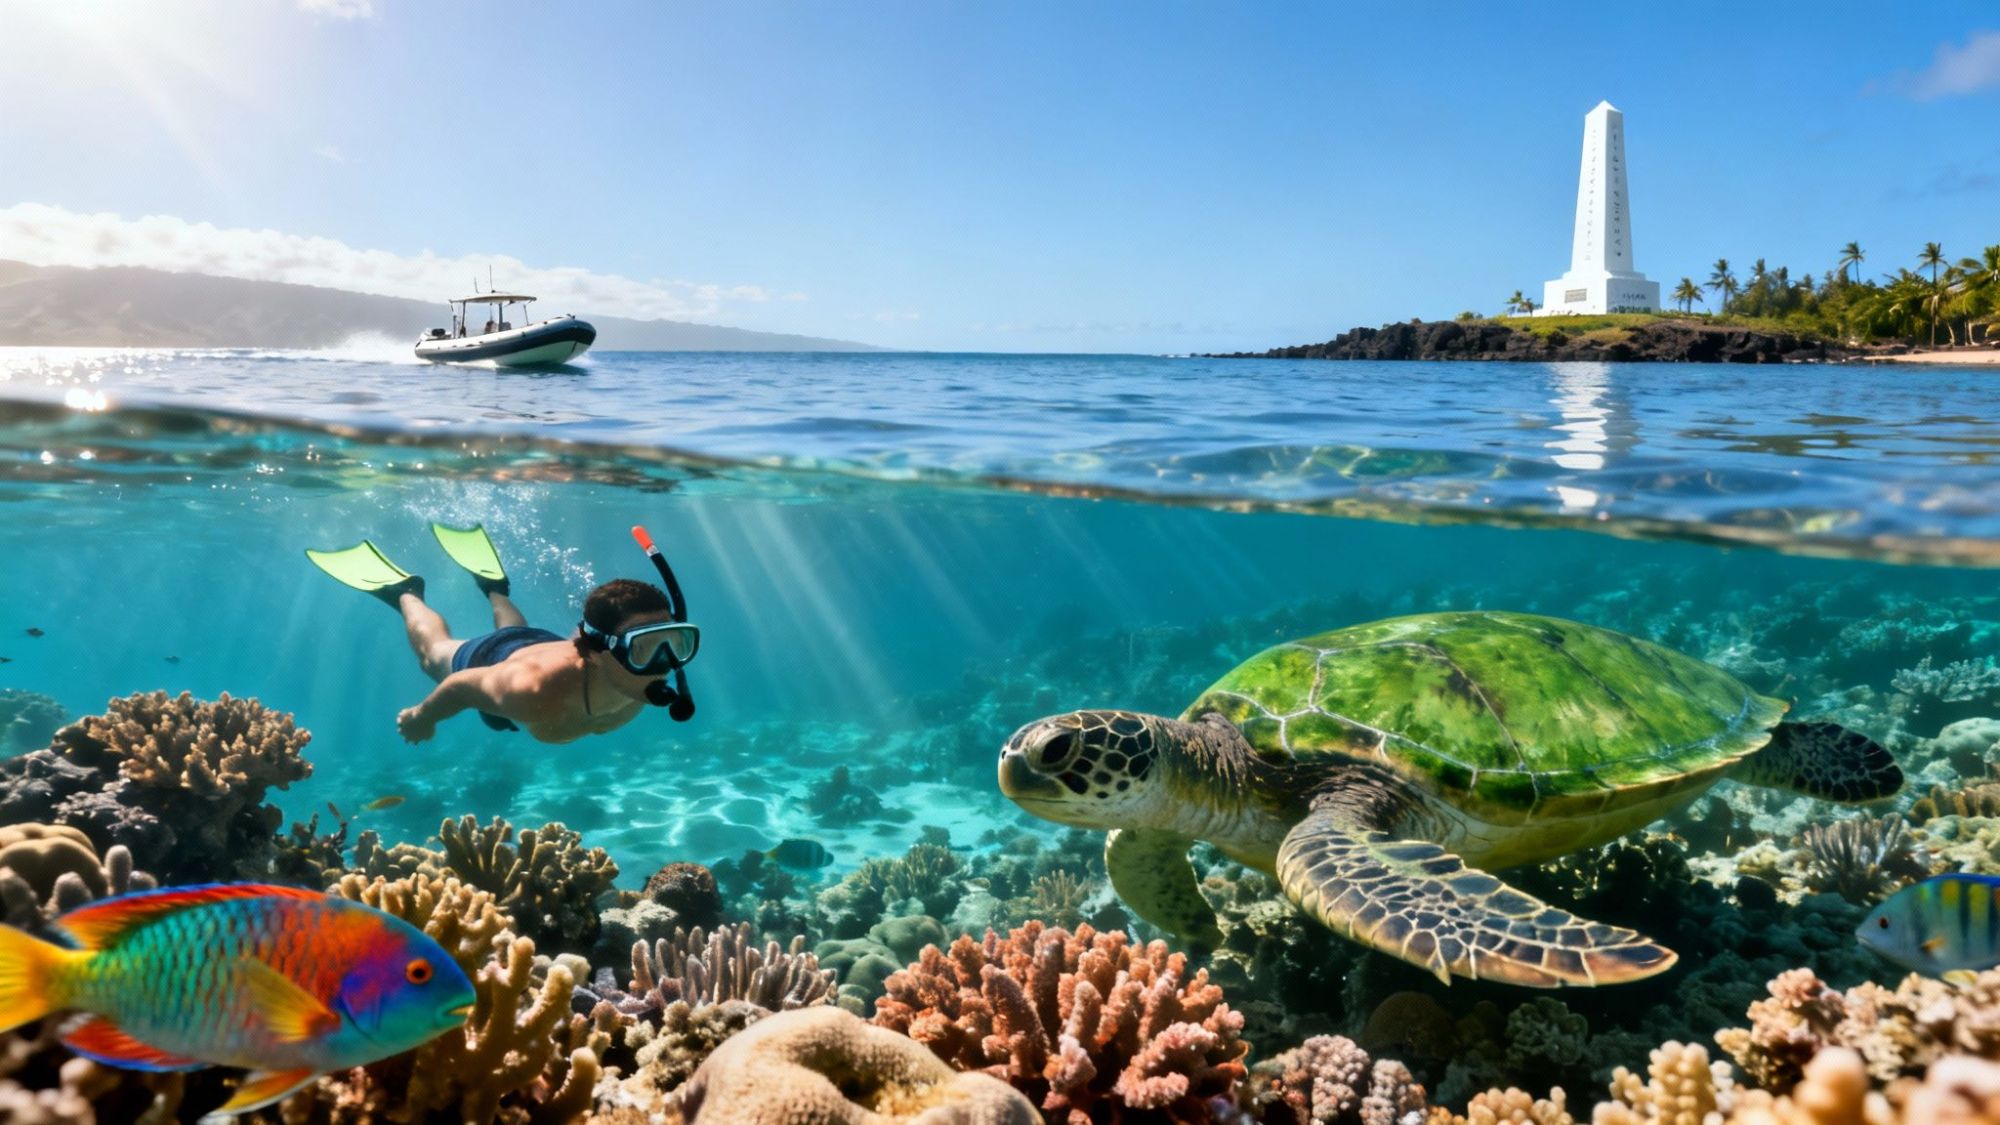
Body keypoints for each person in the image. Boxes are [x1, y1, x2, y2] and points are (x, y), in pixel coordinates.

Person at [306, 524, 699, 744]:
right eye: (645, 647)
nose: (664, 665)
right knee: (433, 655)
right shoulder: (530, 692)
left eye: (676, 642)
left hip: (538, 646)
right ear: (595, 651)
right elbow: (461, 687)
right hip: (496, 660)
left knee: (517, 631)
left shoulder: (638, 677)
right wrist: (422, 717)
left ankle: (495, 587)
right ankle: (405, 591)